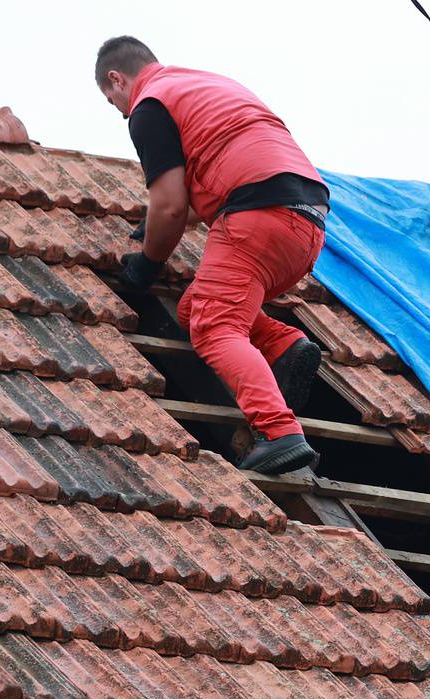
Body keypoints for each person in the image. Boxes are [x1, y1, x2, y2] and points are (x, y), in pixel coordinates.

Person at [94, 36, 328, 475]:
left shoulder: (149, 105)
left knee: (215, 325)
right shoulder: (204, 86)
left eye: (114, 102)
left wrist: (147, 262)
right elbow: (221, 172)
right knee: (194, 307)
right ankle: (284, 345)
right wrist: (169, 221)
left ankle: (279, 432)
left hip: (259, 218)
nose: (122, 112)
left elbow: (168, 204)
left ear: (116, 79)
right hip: (307, 225)